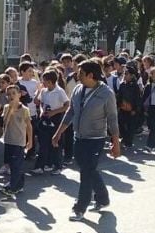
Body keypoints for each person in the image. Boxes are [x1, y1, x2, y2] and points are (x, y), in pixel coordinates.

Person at [52, 60, 121, 222]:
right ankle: (103, 198)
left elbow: (112, 119)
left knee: (86, 173)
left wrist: (116, 143)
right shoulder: (77, 89)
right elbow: (70, 112)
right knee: (87, 169)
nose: (77, 75)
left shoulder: (106, 93)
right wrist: (58, 133)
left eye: (81, 73)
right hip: (79, 137)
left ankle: (80, 208)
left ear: (91, 75)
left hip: (96, 139)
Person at [32, 70, 69, 175]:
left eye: (44, 81)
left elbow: (67, 105)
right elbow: (37, 102)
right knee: (43, 143)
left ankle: (57, 165)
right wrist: (42, 111)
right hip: (45, 118)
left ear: (51, 82)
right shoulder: (44, 91)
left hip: (56, 118)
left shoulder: (59, 91)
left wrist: (54, 112)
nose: (43, 83)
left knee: (55, 143)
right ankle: (40, 166)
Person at [0, 85, 32, 197]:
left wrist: (30, 140)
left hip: (19, 142)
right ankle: (19, 185)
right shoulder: (7, 107)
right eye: (9, 94)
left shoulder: (25, 110)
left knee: (16, 165)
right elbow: (5, 122)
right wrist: (11, 109)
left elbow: (29, 126)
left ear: (19, 94)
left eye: (14, 93)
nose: (11, 96)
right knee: (13, 165)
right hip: (9, 140)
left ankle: (12, 187)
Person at [116, 67, 141, 149]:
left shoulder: (135, 86)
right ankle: (125, 138)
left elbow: (137, 98)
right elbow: (119, 96)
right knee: (121, 124)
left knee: (131, 126)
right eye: (124, 74)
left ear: (131, 75)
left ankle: (128, 142)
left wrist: (135, 109)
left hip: (131, 110)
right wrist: (118, 106)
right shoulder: (122, 85)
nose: (125, 75)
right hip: (123, 109)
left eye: (127, 74)